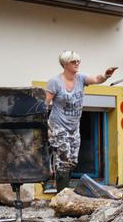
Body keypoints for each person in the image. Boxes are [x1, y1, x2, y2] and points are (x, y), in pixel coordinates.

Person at [45, 51, 117, 191]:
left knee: (73, 160)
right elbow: (45, 103)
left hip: (74, 127)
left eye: (78, 61)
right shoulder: (55, 82)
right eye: (73, 61)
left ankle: (63, 188)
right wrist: (44, 126)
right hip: (58, 126)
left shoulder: (81, 78)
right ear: (65, 64)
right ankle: (61, 193)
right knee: (64, 160)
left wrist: (106, 75)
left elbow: (96, 79)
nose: (77, 63)